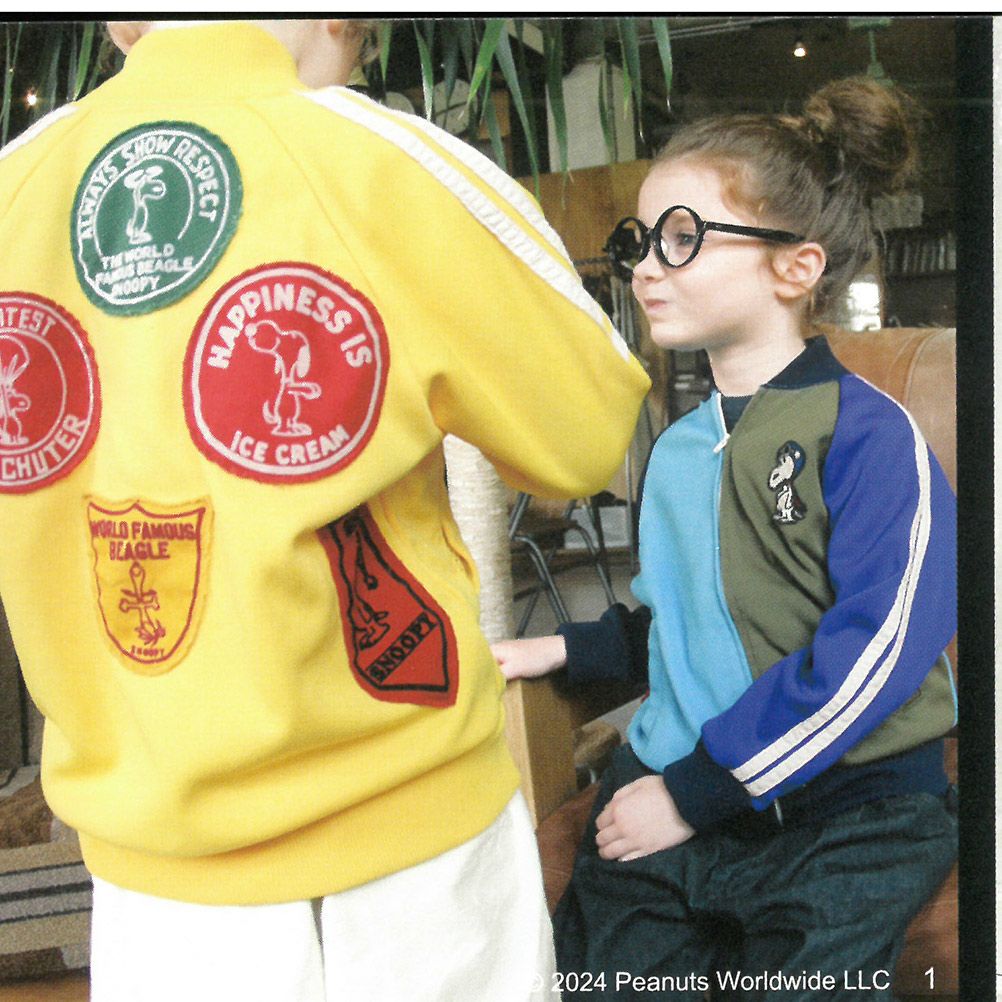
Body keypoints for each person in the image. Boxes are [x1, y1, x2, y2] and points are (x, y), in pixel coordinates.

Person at [0, 18, 650, 1002]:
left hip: (151, 883)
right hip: (414, 856)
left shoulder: (16, 184)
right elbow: (587, 431)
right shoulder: (383, 162)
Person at [493, 76, 958, 1000]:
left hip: (849, 814)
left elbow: (879, 647)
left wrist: (692, 794)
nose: (644, 268)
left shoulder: (869, 435)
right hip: (675, 784)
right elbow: (697, 620)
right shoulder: (677, 450)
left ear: (795, 268)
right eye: (639, 241)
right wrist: (571, 648)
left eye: (681, 238)